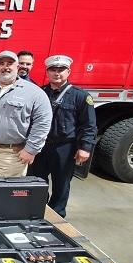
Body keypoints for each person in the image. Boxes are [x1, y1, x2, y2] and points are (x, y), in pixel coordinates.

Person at [28, 55, 97, 218]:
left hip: (65, 147)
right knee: (37, 181)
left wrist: (85, 148)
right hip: (41, 145)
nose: (56, 73)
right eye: (53, 69)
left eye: (61, 70)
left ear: (68, 72)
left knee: (61, 183)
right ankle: (37, 210)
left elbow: (89, 124)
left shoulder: (80, 96)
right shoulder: (40, 93)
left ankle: (57, 214)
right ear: (47, 72)